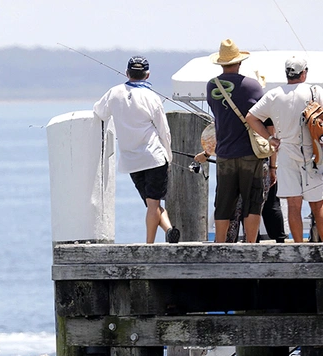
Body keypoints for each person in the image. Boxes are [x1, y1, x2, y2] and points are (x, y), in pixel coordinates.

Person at [93, 56, 179, 244]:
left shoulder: (114, 92)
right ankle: (150, 244)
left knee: (151, 204)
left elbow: (99, 111)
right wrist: (169, 157)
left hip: (132, 160)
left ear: (127, 73)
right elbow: (164, 131)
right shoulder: (152, 97)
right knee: (153, 204)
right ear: (147, 75)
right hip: (155, 157)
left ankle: (169, 230)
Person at [194, 39, 265, 243]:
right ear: (239, 62)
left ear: (221, 63)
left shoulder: (211, 86)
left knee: (223, 202)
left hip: (224, 153)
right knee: (252, 200)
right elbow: (263, 116)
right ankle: (250, 243)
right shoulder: (252, 86)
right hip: (250, 153)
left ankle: (220, 243)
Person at [246, 56, 323, 242]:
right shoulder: (315, 91)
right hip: (313, 152)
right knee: (318, 204)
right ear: (303, 73)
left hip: (286, 151)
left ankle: (298, 248)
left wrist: (270, 139)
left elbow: (251, 117)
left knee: (293, 204)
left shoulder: (274, 95)